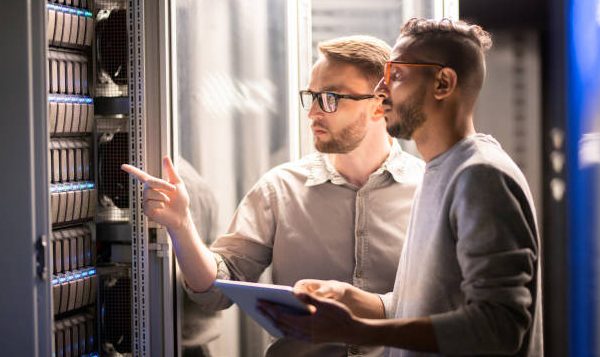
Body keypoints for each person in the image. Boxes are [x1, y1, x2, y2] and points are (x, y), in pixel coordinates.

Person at [122, 35, 425, 356]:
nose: (313, 114)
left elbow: (454, 306)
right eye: (312, 97)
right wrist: (181, 226)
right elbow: (213, 292)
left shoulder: (428, 190)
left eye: (331, 98)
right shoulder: (279, 189)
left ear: (379, 104)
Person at [260, 18, 543, 357]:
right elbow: (430, 305)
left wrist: (357, 330)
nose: (380, 90)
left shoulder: (480, 176)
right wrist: (356, 300)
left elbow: (499, 327)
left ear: (443, 82)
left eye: (395, 75)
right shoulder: (440, 171)